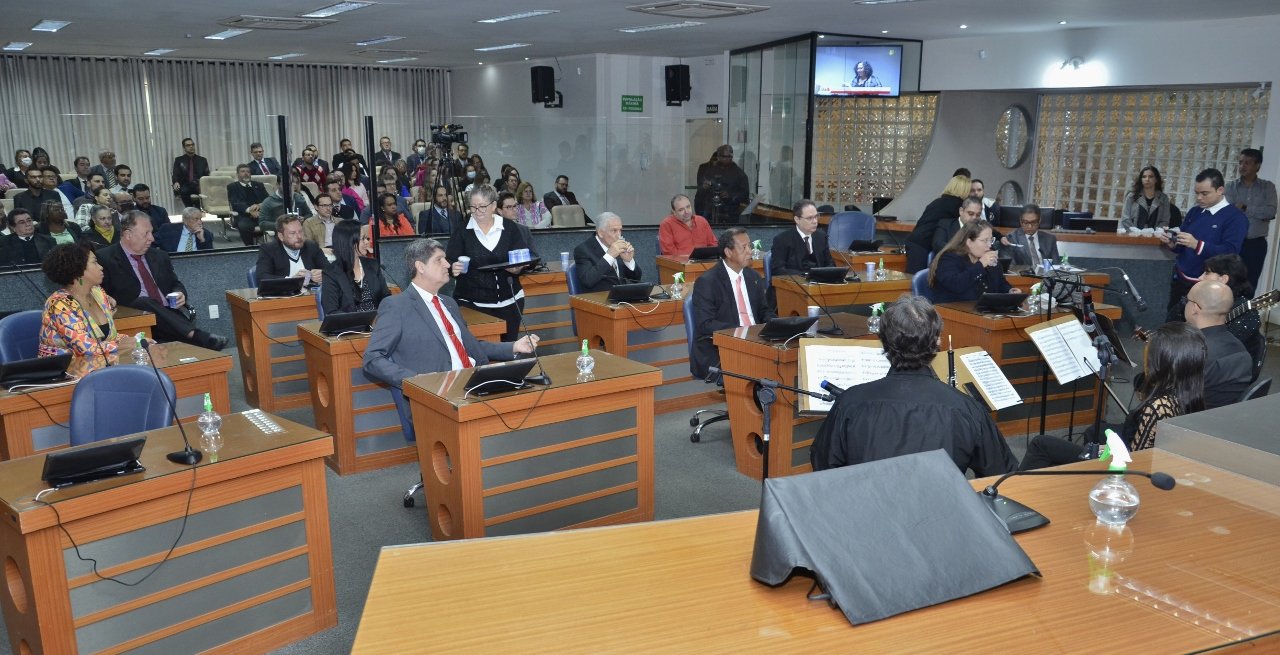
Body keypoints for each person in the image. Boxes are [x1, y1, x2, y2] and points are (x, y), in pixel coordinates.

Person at [810, 295, 1018, 476]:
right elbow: (1001, 473)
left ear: (883, 342)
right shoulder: (968, 409)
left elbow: (823, 464)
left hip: (868, 507)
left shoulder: (849, 402)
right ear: (937, 342)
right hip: (942, 508)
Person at [1020, 322, 1206, 469]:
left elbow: (1136, 463)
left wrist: (1108, 453)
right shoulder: (1190, 392)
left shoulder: (1159, 407)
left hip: (1121, 472)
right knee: (1094, 432)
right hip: (1137, 456)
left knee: (1040, 444)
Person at [362, 238, 538, 390]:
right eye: (439, 260)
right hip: (438, 392)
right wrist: (414, 381)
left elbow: (469, 346)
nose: (447, 264)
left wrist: (513, 347)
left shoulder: (449, 303)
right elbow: (372, 358)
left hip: (473, 382)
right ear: (420, 267)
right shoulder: (396, 306)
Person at [97, 211, 227, 350]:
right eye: (146, 234)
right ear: (128, 234)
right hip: (137, 322)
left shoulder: (159, 256)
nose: (152, 238)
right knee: (143, 302)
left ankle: (196, 338)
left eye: (152, 233)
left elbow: (175, 283)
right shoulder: (105, 259)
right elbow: (100, 295)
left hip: (170, 317)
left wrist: (179, 293)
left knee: (203, 356)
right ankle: (196, 336)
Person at [446, 184, 536, 341]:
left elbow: (522, 255)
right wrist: (452, 268)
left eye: (482, 207)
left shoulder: (509, 227)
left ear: (494, 205)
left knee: (508, 348)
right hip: (473, 303)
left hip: (510, 301)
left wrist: (518, 268)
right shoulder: (462, 230)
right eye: (473, 207)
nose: (477, 211)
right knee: (479, 350)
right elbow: (449, 261)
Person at [1157, 168, 1247, 322]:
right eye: (1197, 193)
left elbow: (1231, 252)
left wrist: (1197, 245)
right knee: (1172, 325)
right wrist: (1173, 243)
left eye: (1205, 193)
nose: (1199, 198)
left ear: (1220, 190)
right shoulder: (1195, 212)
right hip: (1181, 278)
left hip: (1209, 286)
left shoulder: (1236, 217)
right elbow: (1183, 244)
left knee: (1198, 328)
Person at [689, 228, 775, 380]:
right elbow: (705, 324)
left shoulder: (753, 277)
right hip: (723, 346)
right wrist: (744, 331)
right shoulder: (708, 282)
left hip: (757, 342)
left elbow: (763, 311)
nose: (750, 251)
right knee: (762, 371)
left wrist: (775, 324)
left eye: (749, 246)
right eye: (744, 247)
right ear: (728, 252)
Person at [38, 243, 134, 378]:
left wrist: (136, 340)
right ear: (78, 270)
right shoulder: (59, 304)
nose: (101, 267)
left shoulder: (98, 293)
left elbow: (109, 338)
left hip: (98, 367)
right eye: (95, 262)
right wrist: (122, 344)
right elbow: (84, 348)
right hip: (63, 375)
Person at [1184, 280, 1253, 408]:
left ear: (1195, 308)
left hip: (1190, 416)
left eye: (1187, 300)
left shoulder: (1191, 352)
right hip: (1225, 416)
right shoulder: (1242, 350)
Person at [1225, 148, 1277, 294]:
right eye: (1240, 162)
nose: (1242, 166)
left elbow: (1270, 212)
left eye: (1247, 163)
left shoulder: (1268, 187)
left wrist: (1245, 208)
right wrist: (1258, 213)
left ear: (1257, 165)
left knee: (1249, 284)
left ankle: (1244, 309)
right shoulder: (1230, 187)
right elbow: (1229, 212)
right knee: (1228, 282)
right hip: (1233, 242)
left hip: (1256, 244)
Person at [928, 220, 1018, 302]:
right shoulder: (949, 258)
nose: (989, 245)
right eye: (985, 240)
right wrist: (981, 264)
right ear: (969, 242)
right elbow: (956, 285)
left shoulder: (988, 257)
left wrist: (1009, 290)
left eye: (991, 240)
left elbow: (1000, 283)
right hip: (954, 310)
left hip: (983, 309)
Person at [321, 220, 390, 316]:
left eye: (367, 238)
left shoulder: (373, 265)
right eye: (363, 239)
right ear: (349, 242)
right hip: (350, 324)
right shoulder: (331, 273)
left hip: (378, 321)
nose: (367, 242)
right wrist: (360, 320)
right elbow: (331, 312)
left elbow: (386, 297)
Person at [906, 174, 970, 273]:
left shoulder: (938, 201)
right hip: (922, 245)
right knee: (914, 278)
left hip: (915, 241)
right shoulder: (956, 206)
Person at [1200, 253, 1262, 349]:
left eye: (1207, 273)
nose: (1200, 278)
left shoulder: (1247, 313)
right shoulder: (1203, 300)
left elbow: (1225, 348)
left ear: (1223, 279)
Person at [573, 212, 643, 293]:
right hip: (599, 297)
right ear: (601, 233)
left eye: (620, 230)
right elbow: (588, 281)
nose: (619, 236)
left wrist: (628, 261)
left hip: (622, 296)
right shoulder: (583, 250)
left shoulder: (618, 245)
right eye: (614, 231)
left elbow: (636, 279)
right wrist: (610, 256)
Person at [256, 214, 326, 286]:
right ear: (281, 236)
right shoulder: (269, 249)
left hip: (310, 292)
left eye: (300, 231)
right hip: (283, 292)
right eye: (293, 233)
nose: (299, 236)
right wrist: (291, 280)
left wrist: (322, 274)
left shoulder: (311, 246)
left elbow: (330, 269)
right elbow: (262, 278)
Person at [770, 199, 834, 276]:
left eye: (816, 216)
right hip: (794, 282)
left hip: (819, 281)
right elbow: (778, 270)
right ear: (797, 219)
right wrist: (806, 275)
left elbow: (830, 264)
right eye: (809, 218)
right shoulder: (782, 240)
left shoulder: (821, 236)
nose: (815, 221)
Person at [694, 144, 749, 222]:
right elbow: (700, 193)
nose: (727, 159)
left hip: (731, 212)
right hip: (711, 211)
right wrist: (704, 187)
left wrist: (731, 195)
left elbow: (745, 193)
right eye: (724, 156)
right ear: (718, 156)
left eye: (729, 156)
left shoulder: (739, 173)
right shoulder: (710, 171)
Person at [228, 164, 271, 246]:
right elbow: (235, 203)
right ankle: (250, 247)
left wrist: (260, 205)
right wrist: (249, 210)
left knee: (278, 221)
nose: (246, 173)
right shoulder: (233, 187)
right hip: (244, 215)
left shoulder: (258, 185)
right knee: (244, 226)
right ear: (237, 174)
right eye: (243, 171)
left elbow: (268, 199)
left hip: (262, 213)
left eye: (248, 172)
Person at [1120, 166, 1174, 230]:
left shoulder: (1163, 198)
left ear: (1156, 179)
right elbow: (1125, 219)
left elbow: (1165, 221)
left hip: (1155, 235)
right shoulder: (1132, 196)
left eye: (1150, 177)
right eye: (1144, 177)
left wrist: (1154, 233)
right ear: (1141, 179)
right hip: (1132, 234)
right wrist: (1135, 231)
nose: (1147, 179)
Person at [171, 137, 210, 208]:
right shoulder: (179, 160)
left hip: (199, 185)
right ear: (184, 148)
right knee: (185, 191)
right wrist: (176, 182)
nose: (191, 146)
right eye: (188, 145)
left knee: (197, 192)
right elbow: (175, 174)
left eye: (192, 144)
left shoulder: (202, 160)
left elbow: (206, 175)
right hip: (186, 185)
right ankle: (190, 208)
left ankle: (196, 209)